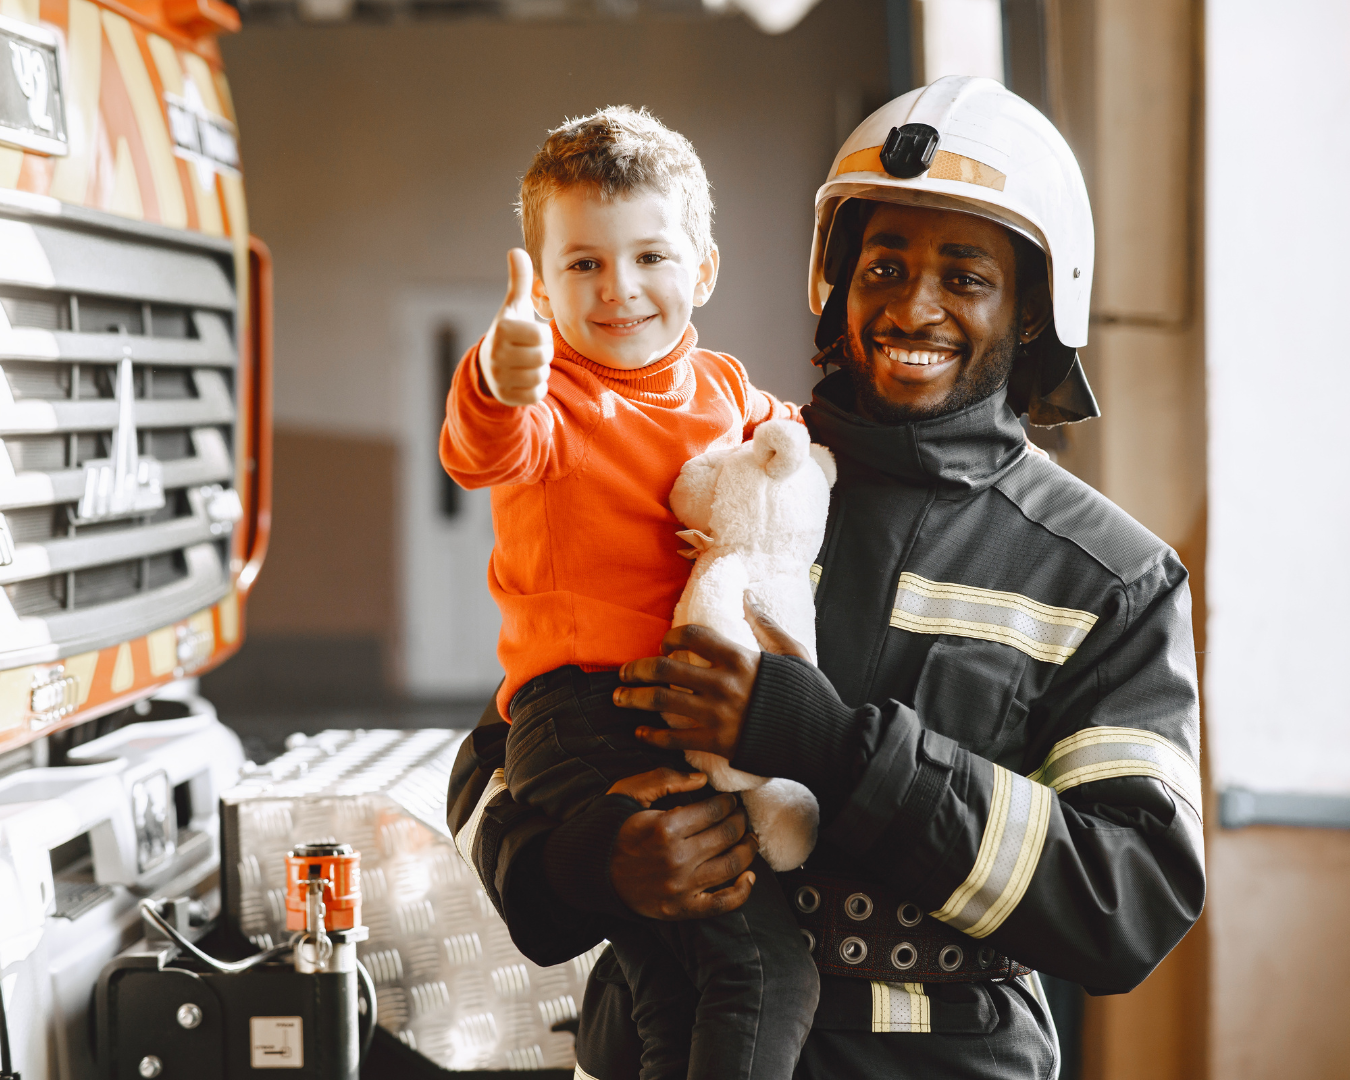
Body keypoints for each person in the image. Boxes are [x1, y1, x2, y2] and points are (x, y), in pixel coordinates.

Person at [449, 78, 1205, 1079]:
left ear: (1032, 311)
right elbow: (507, 740)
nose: (914, 305)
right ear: (836, 282)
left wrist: (839, 751)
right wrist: (576, 865)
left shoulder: (1106, 576)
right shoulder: (736, 479)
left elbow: (1129, 901)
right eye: (882, 264)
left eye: (966, 277)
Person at [440, 106, 819, 1079]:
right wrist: (496, 373)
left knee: (675, 986)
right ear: (545, 278)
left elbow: (813, 458)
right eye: (583, 265)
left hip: (683, 711)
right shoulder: (552, 401)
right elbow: (484, 445)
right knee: (766, 973)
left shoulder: (727, 390)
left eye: (650, 256)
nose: (620, 290)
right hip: (586, 719)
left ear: (705, 269)